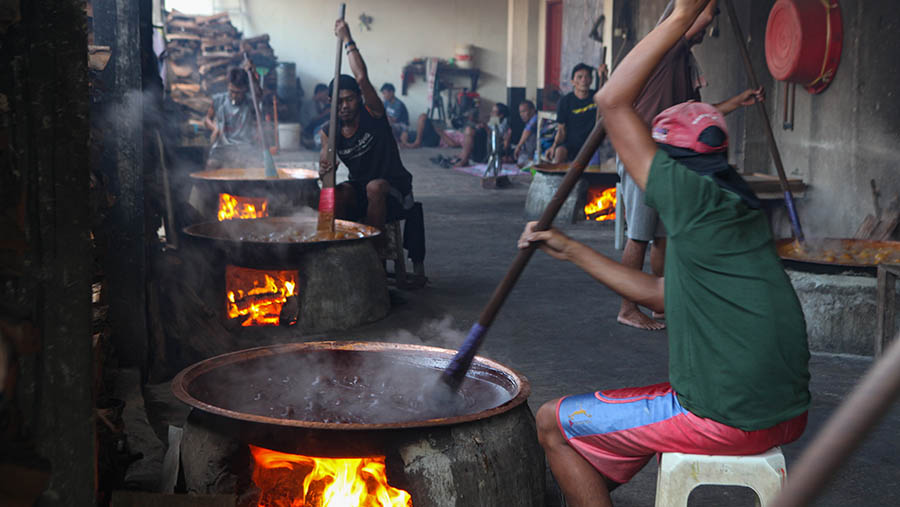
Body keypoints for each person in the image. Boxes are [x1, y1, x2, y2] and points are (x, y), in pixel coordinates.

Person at [518, 1, 810, 505]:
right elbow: (658, 292)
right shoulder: (734, 209)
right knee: (623, 417)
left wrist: (679, 14)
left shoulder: (687, 195)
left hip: (726, 416)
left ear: (669, 161)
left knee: (551, 421)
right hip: (785, 412)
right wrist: (572, 251)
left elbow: (612, 103)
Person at [615, 0, 763, 330]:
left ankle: (662, 306)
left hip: (666, 157)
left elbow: (696, 120)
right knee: (639, 235)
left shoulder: (685, 62)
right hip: (642, 151)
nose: (707, 29)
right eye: (704, 21)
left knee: (663, 236)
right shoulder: (667, 48)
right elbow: (702, 13)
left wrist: (738, 102)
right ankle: (627, 308)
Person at [318, 18, 414, 236]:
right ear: (331, 103)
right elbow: (325, 168)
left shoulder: (373, 113)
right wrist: (323, 169)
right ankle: (340, 248)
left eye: (349, 99)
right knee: (338, 193)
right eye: (338, 102)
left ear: (359, 98)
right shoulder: (329, 132)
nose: (344, 106)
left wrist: (347, 39)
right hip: (361, 189)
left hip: (394, 190)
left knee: (375, 187)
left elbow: (361, 78)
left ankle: (374, 254)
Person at [204, 61, 263, 168]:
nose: (234, 96)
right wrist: (215, 128)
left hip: (245, 148)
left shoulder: (250, 102)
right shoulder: (219, 100)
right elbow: (207, 119)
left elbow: (259, 94)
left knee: (255, 168)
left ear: (245, 90)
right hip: (222, 147)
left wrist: (253, 75)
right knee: (211, 164)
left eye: (238, 92)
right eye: (231, 91)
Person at [546, 63, 601, 163]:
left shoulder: (598, 97)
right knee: (559, 152)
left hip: (593, 144)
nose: (584, 80)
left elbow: (610, 94)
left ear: (591, 80)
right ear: (573, 81)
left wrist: (604, 76)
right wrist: (554, 147)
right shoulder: (565, 102)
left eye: (587, 76)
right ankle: (560, 179)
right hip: (572, 144)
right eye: (580, 77)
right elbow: (561, 131)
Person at [451, 102, 510, 168]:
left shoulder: (504, 124)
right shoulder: (495, 120)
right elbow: (488, 128)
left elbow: (496, 138)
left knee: (469, 130)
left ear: (501, 115)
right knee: (469, 129)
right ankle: (463, 156)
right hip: (483, 146)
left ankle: (464, 159)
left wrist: (485, 127)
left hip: (487, 152)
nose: (491, 114)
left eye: (494, 112)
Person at [301, 83, 330, 148]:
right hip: (307, 127)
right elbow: (314, 119)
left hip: (312, 126)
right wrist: (326, 112)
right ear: (319, 93)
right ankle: (314, 142)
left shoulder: (319, 103)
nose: (327, 97)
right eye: (325, 94)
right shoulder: (311, 103)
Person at [513, 100, 538, 168]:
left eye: (524, 111)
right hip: (528, 152)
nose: (521, 114)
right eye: (520, 112)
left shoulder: (536, 118)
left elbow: (527, 131)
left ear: (532, 110)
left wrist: (518, 146)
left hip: (534, 154)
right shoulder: (530, 120)